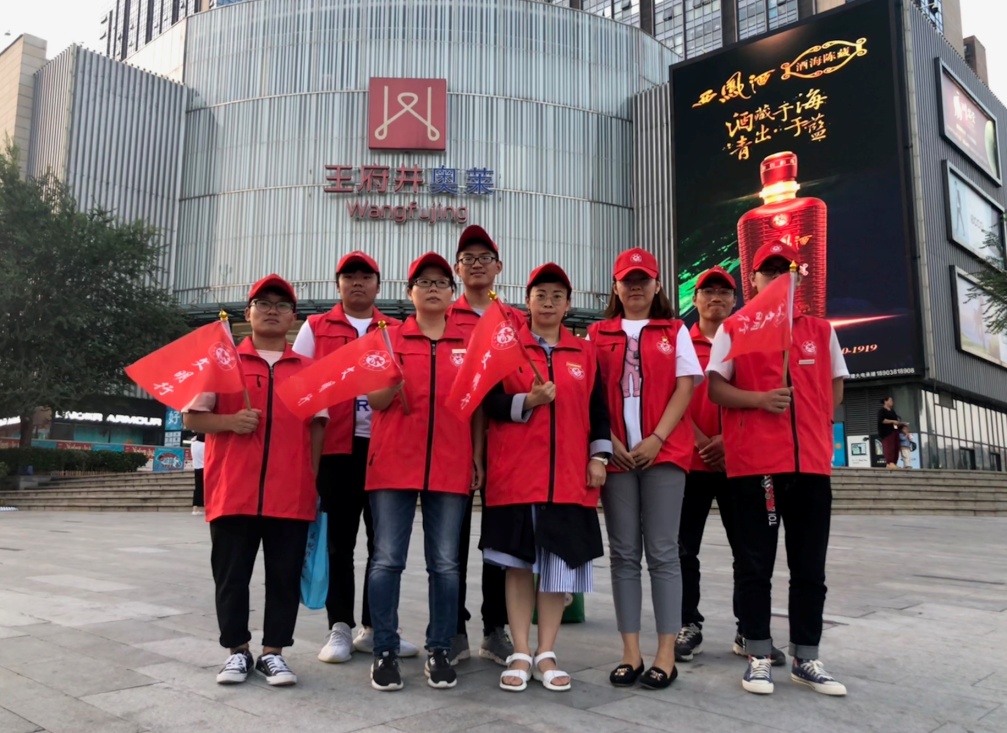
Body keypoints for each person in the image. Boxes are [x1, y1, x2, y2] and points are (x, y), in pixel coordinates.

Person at [706, 242, 849, 697]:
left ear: (799, 277)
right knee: (755, 565)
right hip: (756, 467)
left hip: (811, 467)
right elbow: (715, 388)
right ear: (753, 280)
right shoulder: (735, 327)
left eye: (786, 270)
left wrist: (813, 421)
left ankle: (807, 656)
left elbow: (836, 389)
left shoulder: (821, 331)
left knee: (810, 568)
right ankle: (758, 654)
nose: (778, 277)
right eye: (769, 270)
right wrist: (760, 401)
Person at [183, 274, 327, 687]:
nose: (272, 311)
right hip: (233, 490)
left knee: (284, 576)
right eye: (263, 303)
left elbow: (318, 426)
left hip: (290, 493)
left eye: (282, 305)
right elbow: (192, 417)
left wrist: (310, 477)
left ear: (293, 318)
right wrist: (230, 421)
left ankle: (274, 653)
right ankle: (237, 650)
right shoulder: (223, 362)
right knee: (231, 576)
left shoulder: (308, 370)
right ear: (248, 314)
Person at [481, 263, 612, 694]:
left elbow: (598, 413)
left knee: (559, 567)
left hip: (568, 478)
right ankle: (520, 650)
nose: (549, 303)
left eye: (557, 296)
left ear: (568, 305)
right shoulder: (508, 348)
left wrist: (599, 457)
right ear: (528, 301)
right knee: (519, 566)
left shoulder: (584, 353)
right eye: (541, 295)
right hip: (517, 475)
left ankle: (547, 652)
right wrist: (529, 400)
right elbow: (490, 404)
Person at [292, 251, 420, 664]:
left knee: (384, 546)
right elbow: (299, 388)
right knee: (339, 544)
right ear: (339, 285)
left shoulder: (396, 330)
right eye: (350, 277)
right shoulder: (315, 328)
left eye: (366, 276)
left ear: (378, 285)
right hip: (336, 450)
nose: (358, 282)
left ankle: (377, 627)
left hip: (385, 449)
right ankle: (340, 627)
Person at [365, 252, 482, 692]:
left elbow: (476, 409)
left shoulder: (468, 344)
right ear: (409, 292)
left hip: (451, 463)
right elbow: (375, 401)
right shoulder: (388, 338)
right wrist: (391, 382)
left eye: (441, 283)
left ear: (452, 293)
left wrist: (477, 457)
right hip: (393, 462)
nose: (433, 289)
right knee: (387, 559)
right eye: (424, 282)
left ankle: (439, 649)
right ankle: (384, 650)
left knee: (447, 564)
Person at [588, 248, 701, 690]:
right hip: (616, 459)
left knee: (663, 552)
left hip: (665, 455)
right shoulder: (597, 334)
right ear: (615, 287)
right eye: (627, 280)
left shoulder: (675, 330)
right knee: (623, 554)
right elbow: (590, 395)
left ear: (657, 286)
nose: (635, 287)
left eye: (643, 280)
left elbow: (685, 387)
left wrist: (657, 438)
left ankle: (666, 655)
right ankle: (630, 653)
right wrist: (610, 442)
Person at [675, 267, 787, 667]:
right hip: (689, 461)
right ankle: (687, 624)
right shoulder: (680, 342)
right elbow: (669, 398)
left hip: (740, 462)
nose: (716, 297)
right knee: (682, 549)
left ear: (736, 300)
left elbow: (755, 394)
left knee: (748, 551)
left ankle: (748, 629)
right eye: (707, 291)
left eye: (724, 291)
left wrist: (726, 439)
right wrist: (700, 440)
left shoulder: (750, 338)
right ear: (695, 299)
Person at [445, 224, 517, 666]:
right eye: (467, 259)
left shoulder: (513, 320)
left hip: (506, 445)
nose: (476, 265)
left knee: (498, 542)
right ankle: (453, 627)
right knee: (451, 543)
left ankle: (495, 628)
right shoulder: (443, 317)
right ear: (457, 269)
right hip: (454, 446)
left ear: (498, 267)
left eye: (484, 258)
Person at [877, 396, 904, 469]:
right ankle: (889, 462)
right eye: (890, 400)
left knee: (896, 447)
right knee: (889, 447)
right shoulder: (882, 411)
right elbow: (882, 420)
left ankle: (894, 463)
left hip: (894, 430)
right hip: (886, 432)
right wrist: (892, 421)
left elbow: (896, 421)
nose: (892, 402)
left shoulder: (893, 411)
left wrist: (900, 424)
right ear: (885, 401)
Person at [190, 433, 205, 515]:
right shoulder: (205, 445)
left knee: (198, 488)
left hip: (197, 468)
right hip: (205, 468)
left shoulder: (193, 444)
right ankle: (203, 508)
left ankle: (195, 509)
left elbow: (193, 438)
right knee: (205, 489)